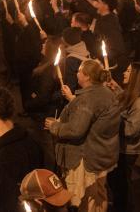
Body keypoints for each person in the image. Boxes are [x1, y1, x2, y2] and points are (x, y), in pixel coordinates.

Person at [45, 59, 119, 211]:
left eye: (79, 71)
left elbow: (75, 130)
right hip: (102, 155)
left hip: (85, 159)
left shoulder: (87, 100)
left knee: (81, 198)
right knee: (98, 196)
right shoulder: (107, 93)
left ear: (87, 77)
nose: (76, 73)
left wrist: (55, 126)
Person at [107, 62, 140, 212]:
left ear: (136, 77)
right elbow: (128, 102)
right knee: (118, 180)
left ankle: (123, 207)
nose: (124, 73)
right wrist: (116, 89)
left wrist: (112, 119)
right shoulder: (136, 95)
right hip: (122, 147)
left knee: (120, 182)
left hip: (128, 149)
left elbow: (131, 130)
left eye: (128, 71)